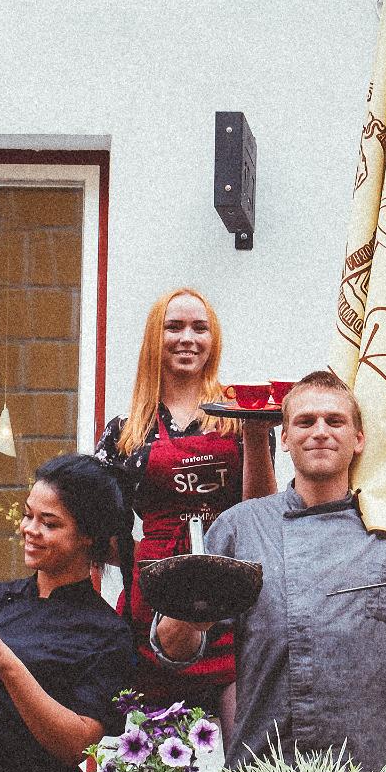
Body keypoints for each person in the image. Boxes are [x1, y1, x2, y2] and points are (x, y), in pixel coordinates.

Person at [151, 371, 386, 772]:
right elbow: (174, 650)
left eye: (335, 421)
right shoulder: (240, 527)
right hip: (263, 770)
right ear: (285, 438)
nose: (321, 431)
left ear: (358, 439)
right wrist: (189, 612)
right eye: (305, 421)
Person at [93, 287, 273, 713]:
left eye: (199, 328)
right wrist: (147, 561)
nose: (187, 338)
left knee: (242, 736)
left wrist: (256, 433)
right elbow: (100, 529)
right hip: (153, 593)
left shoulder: (240, 417)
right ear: (155, 338)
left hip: (232, 592)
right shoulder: (125, 430)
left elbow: (261, 513)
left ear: (214, 339)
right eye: (173, 327)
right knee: (149, 735)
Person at [0, 454, 138, 772]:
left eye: (49, 523)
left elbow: (78, 746)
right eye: (28, 515)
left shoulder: (106, 633)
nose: (29, 529)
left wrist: (9, 667)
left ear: (87, 535)